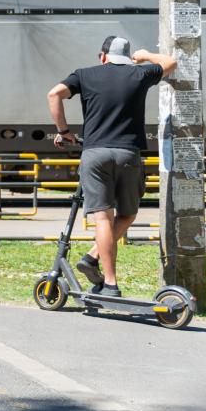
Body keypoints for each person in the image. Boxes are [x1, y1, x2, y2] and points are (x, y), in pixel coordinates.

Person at [47, 36, 176, 298]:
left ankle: (110, 283)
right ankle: (93, 258)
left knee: (102, 219)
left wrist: (64, 131)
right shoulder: (139, 74)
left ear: (103, 56)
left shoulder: (85, 75)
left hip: (94, 154)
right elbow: (170, 62)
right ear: (127, 58)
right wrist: (146, 55)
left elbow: (54, 94)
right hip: (128, 154)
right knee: (127, 214)